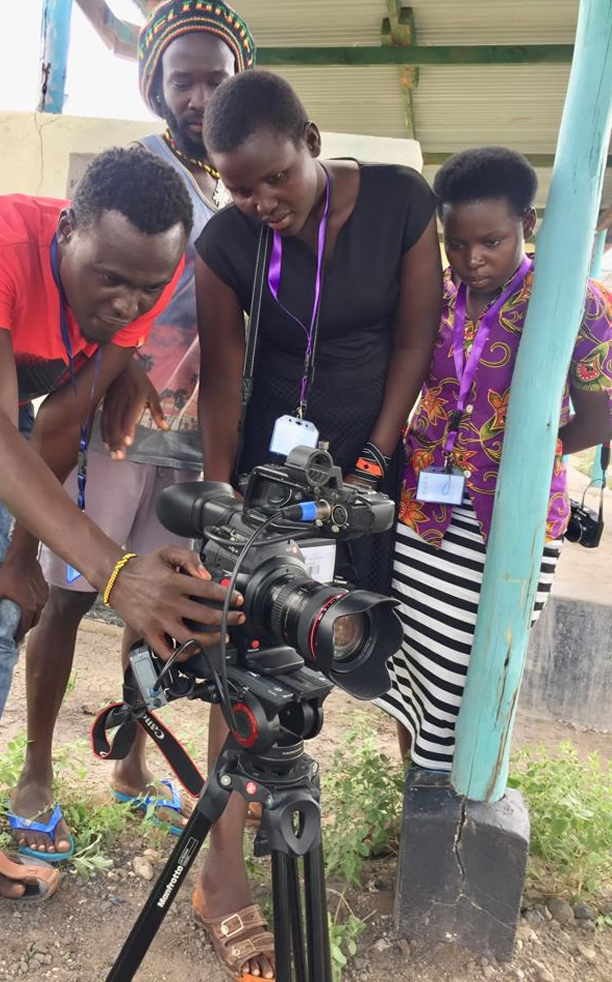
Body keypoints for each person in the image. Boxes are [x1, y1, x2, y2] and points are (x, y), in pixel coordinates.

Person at [0, 147, 244, 982]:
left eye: (148, 286)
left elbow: (59, 420)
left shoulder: (143, 271)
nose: (129, 302)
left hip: (4, 425)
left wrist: (27, 556)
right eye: (112, 280)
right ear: (68, 230)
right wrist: (115, 572)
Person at [192, 69, 443, 980]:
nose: (259, 201)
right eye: (237, 184)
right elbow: (222, 377)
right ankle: (221, 876)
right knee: (242, 649)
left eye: (274, 179)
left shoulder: (402, 206)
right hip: (267, 474)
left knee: (330, 637)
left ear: (310, 138)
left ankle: (274, 791)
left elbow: (414, 338)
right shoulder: (225, 241)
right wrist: (220, 499)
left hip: (363, 471)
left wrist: (378, 453)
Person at [8, 0, 256, 860]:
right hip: (114, 427)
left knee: (155, 606)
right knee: (74, 594)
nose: (198, 96)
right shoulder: (133, 170)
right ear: (157, 87)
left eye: (214, 79)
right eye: (182, 80)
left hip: (197, 441)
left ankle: (132, 764)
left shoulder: (249, 186)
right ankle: (37, 768)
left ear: (240, 82)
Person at [375, 146, 612, 769]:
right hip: (422, 513)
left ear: (526, 226)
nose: (471, 260)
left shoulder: (574, 301)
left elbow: (602, 411)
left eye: (492, 241)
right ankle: (415, 795)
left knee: (468, 672)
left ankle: (454, 805)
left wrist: (529, 456)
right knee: (412, 663)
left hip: (508, 521)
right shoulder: (436, 290)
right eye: (456, 243)